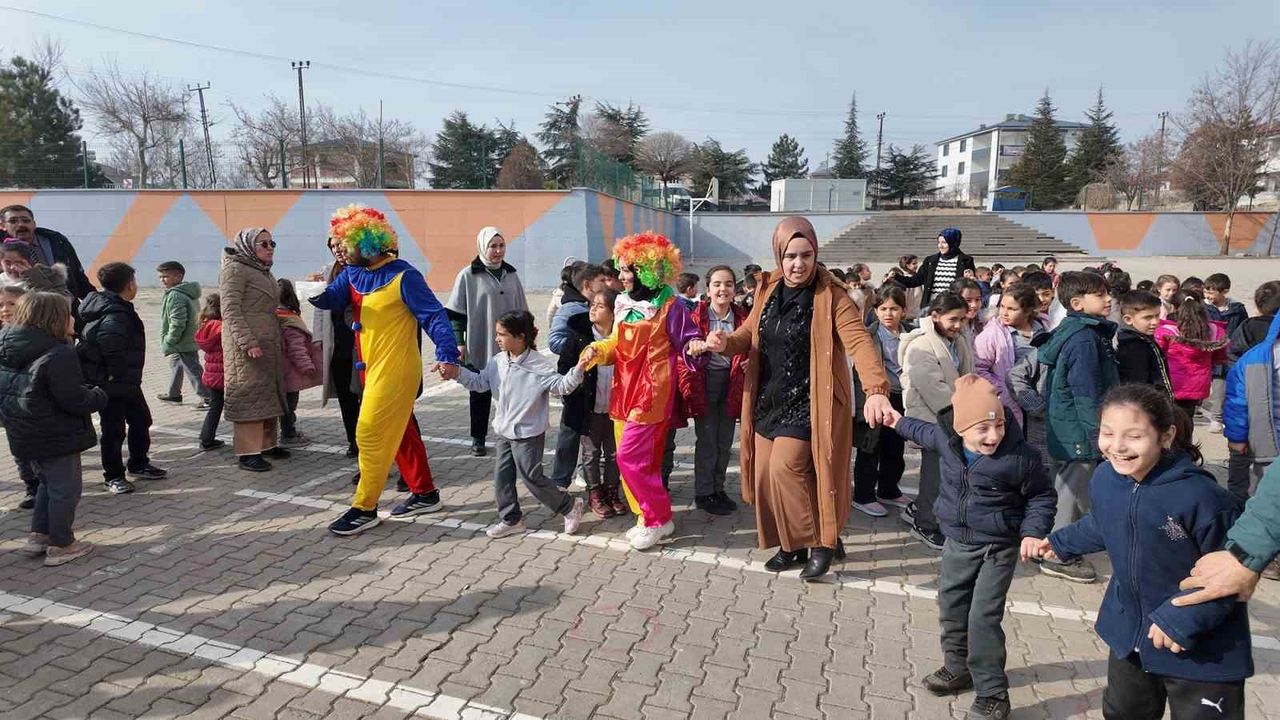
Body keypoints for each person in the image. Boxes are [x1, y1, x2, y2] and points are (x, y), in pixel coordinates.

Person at [1031, 384, 1250, 720]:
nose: (1117, 446)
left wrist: (1181, 620)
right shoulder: (1106, 477)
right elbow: (1103, 523)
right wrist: (1060, 543)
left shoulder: (1204, 498)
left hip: (1202, 649)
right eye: (1107, 433)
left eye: (1133, 436)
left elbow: (1232, 576)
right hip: (1131, 637)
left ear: (1166, 435)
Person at [705, 217, 896, 580]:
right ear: (779, 255)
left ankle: (822, 542)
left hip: (811, 402)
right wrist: (725, 343)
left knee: (786, 468)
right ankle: (790, 545)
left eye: (806, 255)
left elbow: (859, 342)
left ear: (815, 253)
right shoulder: (768, 289)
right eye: (790, 256)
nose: (798, 264)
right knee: (765, 476)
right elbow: (748, 335)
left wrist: (876, 390)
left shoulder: (831, 295)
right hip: (768, 399)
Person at [890, 376, 1055, 720]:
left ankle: (993, 694)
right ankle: (957, 667)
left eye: (998, 425)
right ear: (960, 429)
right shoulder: (946, 439)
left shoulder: (1020, 457)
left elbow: (1042, 495)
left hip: (998, 547)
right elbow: (921, 431)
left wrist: (1032, 532)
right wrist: (895, 421)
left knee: (982, 618)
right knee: (952, 607)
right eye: (982, 429)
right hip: (957, 542)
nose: (993, 436)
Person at [310, 205, 459, 535]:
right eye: (337, 244)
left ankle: (364, 507)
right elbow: (333, 298)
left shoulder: (405, 276)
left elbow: (434, 316)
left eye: (345, 244)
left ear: (367, 243)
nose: (340, 250)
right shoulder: (353, 273)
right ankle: (425, 493)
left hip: (396, 370)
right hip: (370, 367)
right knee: (400, 430)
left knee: (368, 433)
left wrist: (447, 354)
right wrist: (314, 293)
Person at [585, 231, 709, 551]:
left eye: (629, 270)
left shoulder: (671, 307)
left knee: (629, 458)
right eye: (622, 269)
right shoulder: (624, 303)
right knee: (642, 462)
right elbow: (616, 343)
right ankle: (650, 517)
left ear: (648, 271)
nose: (623, 277)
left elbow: (689, 343)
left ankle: (656, 518)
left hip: (652, 394)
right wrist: (598, 350)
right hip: (623, 390)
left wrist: (695, 347)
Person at [444, 310, 588, 538]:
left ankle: (569, 506)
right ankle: (511, 519)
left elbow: (561, 386)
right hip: (504, 430)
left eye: (502, 334)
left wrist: (579, 369)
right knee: (502, 478)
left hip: (528, 433)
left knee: (532, 477)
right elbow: (480, 383)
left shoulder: (538, 365)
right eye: (497, 334)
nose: (497, 339)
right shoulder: (497, 361)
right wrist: (456, 372)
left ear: (520, 337)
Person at [0, 292, 107, 566]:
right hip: (55, 433)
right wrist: (98, 394)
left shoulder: (6, 344)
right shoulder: (59, 352)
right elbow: (74, 399)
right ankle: (62, 544)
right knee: (65, 490)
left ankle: (39, 535)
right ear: (54, 318)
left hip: (23, 431)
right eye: (68, 313)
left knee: (47, 484)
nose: (73, 318)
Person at [1033, 270, 1119, 584]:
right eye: (1100, 294)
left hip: (1069, 427)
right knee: (1071, 491)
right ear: (1077, 303)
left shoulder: (1081, 331)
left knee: (1066, 488)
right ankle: (1058, 554)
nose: (1108, 299)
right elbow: (1086, 393)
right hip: (1079, 431)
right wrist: (1100, 436)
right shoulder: (1083, 339)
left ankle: (1056, 541)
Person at [79, 262, 166, 494]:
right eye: (134, 281)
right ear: (129, 285)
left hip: (126, 382)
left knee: (141, 420)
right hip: (111, 383)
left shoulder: (116, 307)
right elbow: (111, 348)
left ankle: (138, 463)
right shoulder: (114, 314)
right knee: (114, 430)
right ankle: (113, 476)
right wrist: (115, 374)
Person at [900, 292, 974, 551]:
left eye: (962, 319)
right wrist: (963, 415)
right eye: (953, 319)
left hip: (953, 416)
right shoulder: (921, 345)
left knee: (946, 474)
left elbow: (967, 376)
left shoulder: (958, 340)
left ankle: (922, 509)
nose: (958, 325)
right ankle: (925, 523)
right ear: (935, 316)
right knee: (935, 474)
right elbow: (933, 388)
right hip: (934, 419)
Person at [446, 226, 529, 457]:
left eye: (501, 246)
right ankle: (478, 438)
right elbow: (456, 314)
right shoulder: (468, 275)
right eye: (493, 246)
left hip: (510, 345)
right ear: (483, 247)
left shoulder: (511, 274)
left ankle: (513, 435)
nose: (498, 251)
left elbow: (523, 310)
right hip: (480, 341)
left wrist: (527, 336)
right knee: (480, 392)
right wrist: (459, 342)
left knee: (511, 390)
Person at [220, 228, 288, 472]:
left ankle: (267, 445)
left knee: (267, 394)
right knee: (249, 396)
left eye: (272, 243)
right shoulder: (235, 269)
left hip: (267, 343)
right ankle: (248, 452)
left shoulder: (261, 269)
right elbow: (230, 311)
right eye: (263, 244)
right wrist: (248, 342)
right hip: (246, 347)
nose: (270, 248)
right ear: (248, 246)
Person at [686, 265, 748, 516]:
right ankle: (704, 493)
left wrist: (751, 360)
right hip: (705, 383)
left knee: (725, 441)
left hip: (733, 382)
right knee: (707, 440)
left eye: (728, 284)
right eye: (717, 284)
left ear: (735, 288)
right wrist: (694, 347)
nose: (723, 289)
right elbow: (683, 347)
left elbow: (754, 345)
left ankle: (718, 489)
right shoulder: (695, 316)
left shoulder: (743, 317)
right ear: (708, 289)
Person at [852, 285, 916, 519]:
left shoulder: (912, 334)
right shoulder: (868, 336)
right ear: (875, 310)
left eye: (894, 309)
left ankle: (889, 489)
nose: (889, 314)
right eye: (883, 309)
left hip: (902, 397)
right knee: (870, 447)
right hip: (875, 397)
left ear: (904, 311)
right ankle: (863, 496)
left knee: (895, 446)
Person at [558, 288, 622, 518]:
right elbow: (563, 368)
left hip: (616, 408)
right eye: (592, 304)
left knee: (615, 454)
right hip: (588, 407)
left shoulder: (623, 338)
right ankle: (595, 494)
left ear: (614, 313)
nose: (593, 309)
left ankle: (612, 492)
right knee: (591, 453)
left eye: (600, 306)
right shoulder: (578, 336)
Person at [547, 263, 605, 489]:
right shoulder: (571, 309)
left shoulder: (593, 305)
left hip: (595, 378)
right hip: (575, 380)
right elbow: (554, 342)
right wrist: (581, 348)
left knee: (592, 430)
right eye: (601, 281)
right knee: (570, 429)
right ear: (588, 285)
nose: (605, 285)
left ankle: (584, 473)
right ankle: (560, 481)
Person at [313, 235, 360, 458]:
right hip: (338, 344)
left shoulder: (363, 269)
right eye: (332, 246)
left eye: (340, 244)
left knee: (364, 395)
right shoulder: (327, 272)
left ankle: (369, 441)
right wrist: (319, 338)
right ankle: (353, 440)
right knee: (345, 396)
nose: (337, 249)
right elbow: (320, 309)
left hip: (360, 343)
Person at [974, 283, 1047, 428]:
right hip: (1010, 403)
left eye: (1012, 309)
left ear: (1028, 311)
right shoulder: (992, 335)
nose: (1004, 313)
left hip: (1041, 402)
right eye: (1002, 306)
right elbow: (979, 369)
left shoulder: (1044, 327)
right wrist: (1002, 388)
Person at [1156, 292, 1228, 421]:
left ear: (1174, 307)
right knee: (1187, 418)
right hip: (1198, 384)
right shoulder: (1215, 331)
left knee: (1168, 420)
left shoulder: (1166, 331)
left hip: (1171, 383)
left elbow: (1157, 355)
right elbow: (1219, 356)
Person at [0, 205, 93, 299]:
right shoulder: (2, 250)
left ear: (34, 223)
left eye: (26, 221)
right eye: (13, 221)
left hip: (61, 301)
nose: (21, 225)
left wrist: (95, 301)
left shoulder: (57, 241)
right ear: (2, 226)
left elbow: (78, 277)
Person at [154, 261, 208, 408]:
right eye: (160, 277)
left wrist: (170, 340)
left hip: (182, 341)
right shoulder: (186, 291)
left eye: (165, 276)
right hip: (187, 339)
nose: (162, 280)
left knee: (193, 369)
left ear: (178, 277)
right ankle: (174, 395)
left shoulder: (176, 295)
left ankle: (207, 397)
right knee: (176, 365)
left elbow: (178, 322)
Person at [277, 279, 322, 448]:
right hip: (290, 372)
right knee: (289, 406)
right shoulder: (290, 321)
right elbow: (297, 349)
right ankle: (288, 434)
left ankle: (288, 431)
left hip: (278, 369)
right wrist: (307, 366)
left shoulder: (272, 316)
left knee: (284, 404)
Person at [1203, 272, 1247, 433]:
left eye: (1211, 292)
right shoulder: (1203, 308)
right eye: (1206, 292)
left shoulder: (1237, 309)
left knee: (1222, 384)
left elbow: (1243, 329)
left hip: (1230, 354)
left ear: (1225, 291)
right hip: (1208, 351)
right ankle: (1211, 411)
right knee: (1209, 386)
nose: (1208, 296)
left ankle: (1217, 417)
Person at [895, 227, 976, 309]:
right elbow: (915, 281)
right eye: (939, 242)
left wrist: (971, 279)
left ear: (953, 243)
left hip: (953, 307)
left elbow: (971, 285)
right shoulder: (930, 261)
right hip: (931, 307)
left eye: (944, 242)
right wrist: (895, 277)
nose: (940, 246)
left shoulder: (966, 261)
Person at [1115, 290, 1173, 397]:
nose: (1155, 322)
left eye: (1157, 315)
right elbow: (1137, 386)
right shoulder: (1133, 347)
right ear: (1128, 319)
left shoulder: (1146, 340)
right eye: (1148, 317)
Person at [194, 293, 226, 452]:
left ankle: (206, 438)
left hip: (211, 374)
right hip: (224, 373)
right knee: (236, 407)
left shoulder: (204, 325)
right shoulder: (221, 326)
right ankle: (246, 439)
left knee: (215, 407)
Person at [896, 254, 923, 319]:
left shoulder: (917, 278)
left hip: (916, 313)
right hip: (909, 314)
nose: (916, 266)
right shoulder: (906, 279)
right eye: (914, 264)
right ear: (907, 265)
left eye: (916, 263)